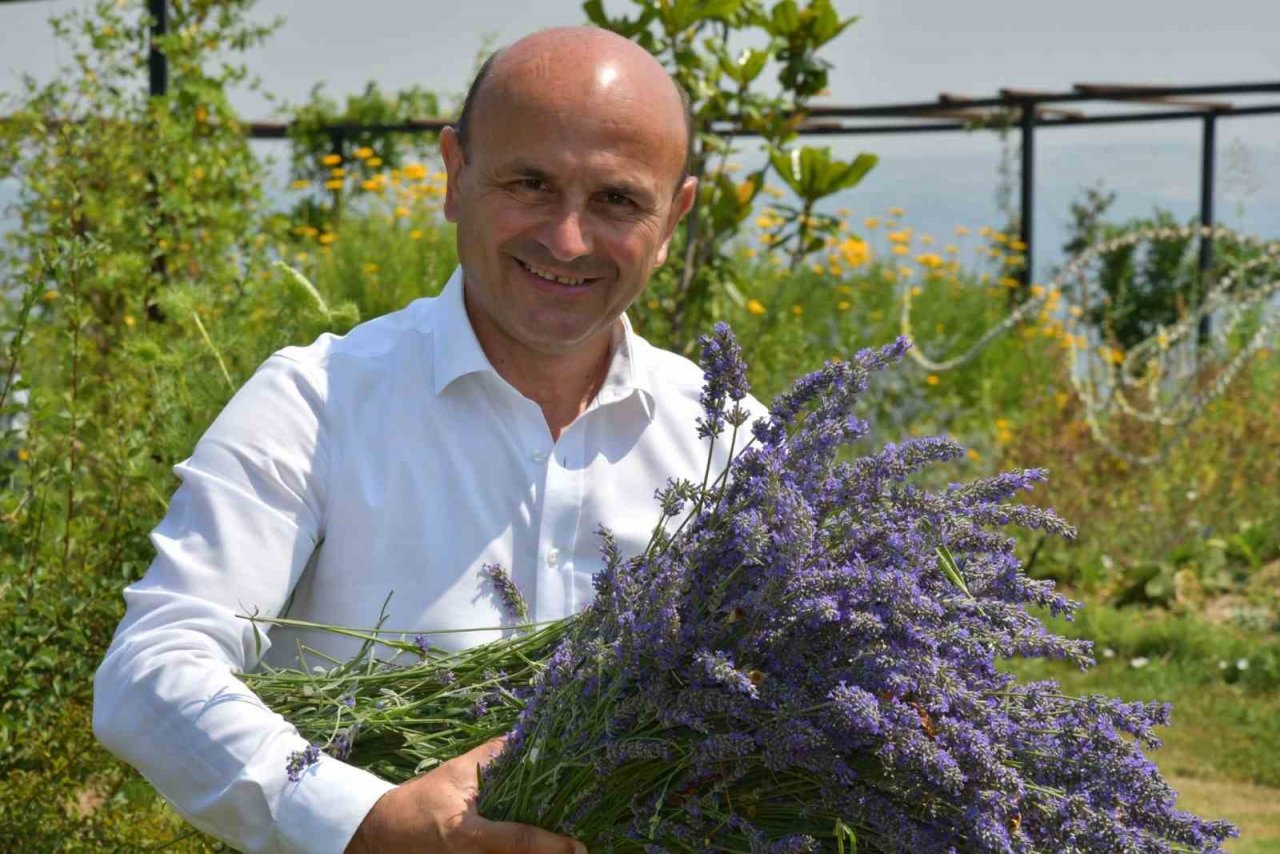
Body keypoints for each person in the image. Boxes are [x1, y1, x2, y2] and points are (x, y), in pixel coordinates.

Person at [94, 25, 762, 854]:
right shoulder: (320, 402)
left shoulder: (735, 444)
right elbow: (151, 672)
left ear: (675, 219)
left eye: (618, 200)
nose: (567, 238)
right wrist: (369, 821)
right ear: (455, 175)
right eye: (529, 183)